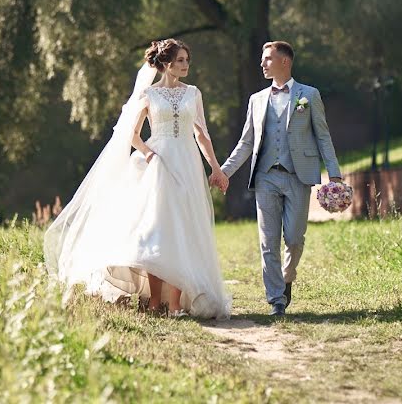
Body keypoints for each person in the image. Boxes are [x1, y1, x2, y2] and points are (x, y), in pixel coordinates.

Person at [44, 38, 232, 319]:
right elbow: (130, 134)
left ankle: (176, 304)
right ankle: (155, 301)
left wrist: (216, 168)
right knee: (157, 230)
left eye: (186, 60)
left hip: (188, 164)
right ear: (167, 64)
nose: (185, 65)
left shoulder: (194, 94)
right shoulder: (149, 95)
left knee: (182, 229)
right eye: (180, 60)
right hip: (158, 163)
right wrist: (147, 153)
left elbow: (201, 134)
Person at [221, 41, 342, 316]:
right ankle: (276, 299)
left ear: (284, 61)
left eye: (267, 59)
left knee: (295, 239)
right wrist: (223, 172)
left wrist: (334, 172)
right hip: (265, 178)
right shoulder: (257, 99)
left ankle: (287, 277)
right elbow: (246, 142)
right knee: (268, 240)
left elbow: (323, 135)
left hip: (299, 176)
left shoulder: (308, 96)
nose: (262, 64)